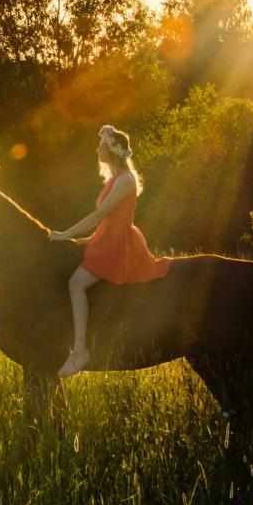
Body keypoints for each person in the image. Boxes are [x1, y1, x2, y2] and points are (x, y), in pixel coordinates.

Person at [48, 124, 173, 378]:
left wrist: (65, 234)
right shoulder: (114, 179)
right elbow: (106, 220)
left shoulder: (126, 180)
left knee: (76, 284)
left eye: (102, 147)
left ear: (113, 151)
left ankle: (80, 351)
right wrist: (90, 239)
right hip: (107, 237)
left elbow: (99, 215)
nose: (97, 151)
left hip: (118, 242)